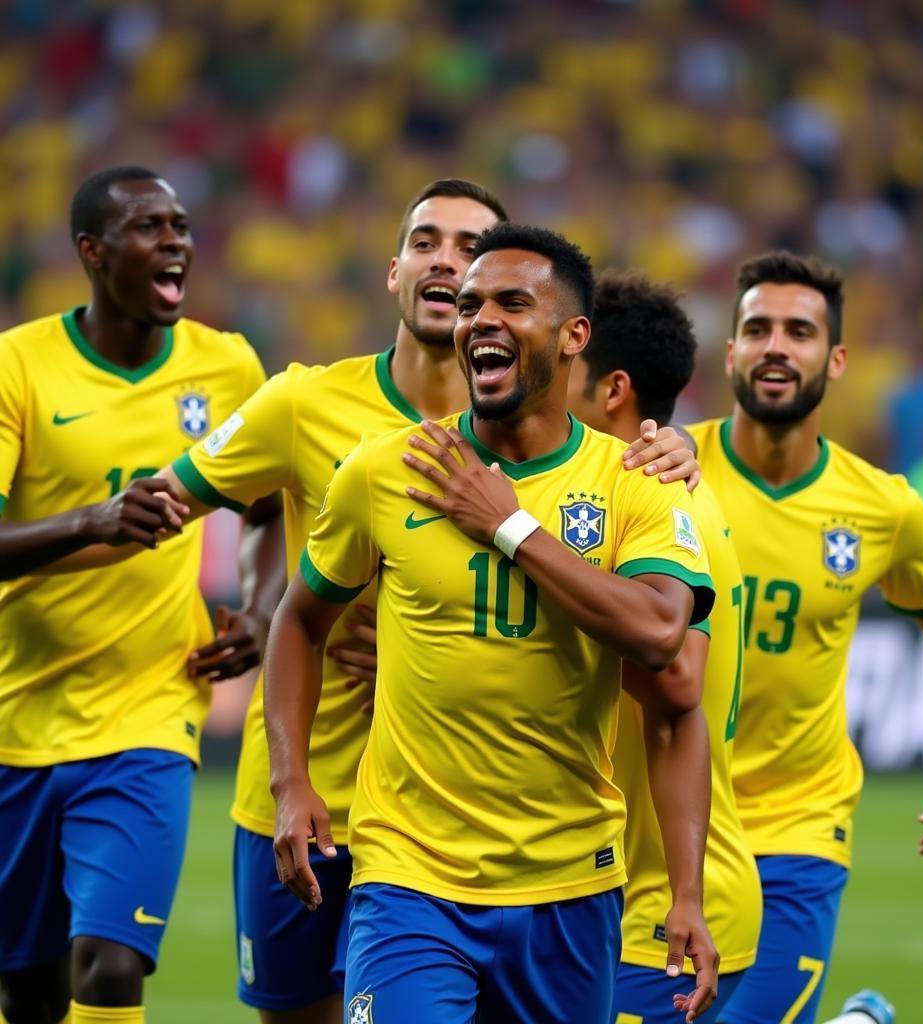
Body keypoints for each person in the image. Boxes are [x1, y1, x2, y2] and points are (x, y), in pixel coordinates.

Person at [155, 182, 698, 1023]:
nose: (478, 311)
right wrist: (290, 774)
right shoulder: (378, 462)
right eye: (470, 297)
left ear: (573, 334)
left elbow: (665, 643)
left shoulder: (632, 478)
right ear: (399, 273)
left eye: (510, 300)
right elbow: (298, 607)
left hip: (566, 874)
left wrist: (508, 525)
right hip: (398, 856)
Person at [686, 251, 923, 1024]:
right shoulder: (667, 471)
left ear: (837, 357)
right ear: (730, 354)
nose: (776, 347)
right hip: (677, 821)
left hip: (801, 820)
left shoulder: (883, 508)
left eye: (799, 330)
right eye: (756, 329)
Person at [0, 167, 273, 1024]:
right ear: (93, 252)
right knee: (29, 989)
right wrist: (93, 520)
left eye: (180, 225)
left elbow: (269, 511)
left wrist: (261, 609)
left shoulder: (227, 366)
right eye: (148, 227)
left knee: (112, 965)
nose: (175, 242)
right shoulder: (19, 367)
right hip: (17, 715)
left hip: (153, 707)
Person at [567, 271, 762, 1023]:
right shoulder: (654, 486)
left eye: (565, 362)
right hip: (626, 896)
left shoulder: (661, 502)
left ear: (612, 390)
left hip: (664, 912)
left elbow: (674, 674)